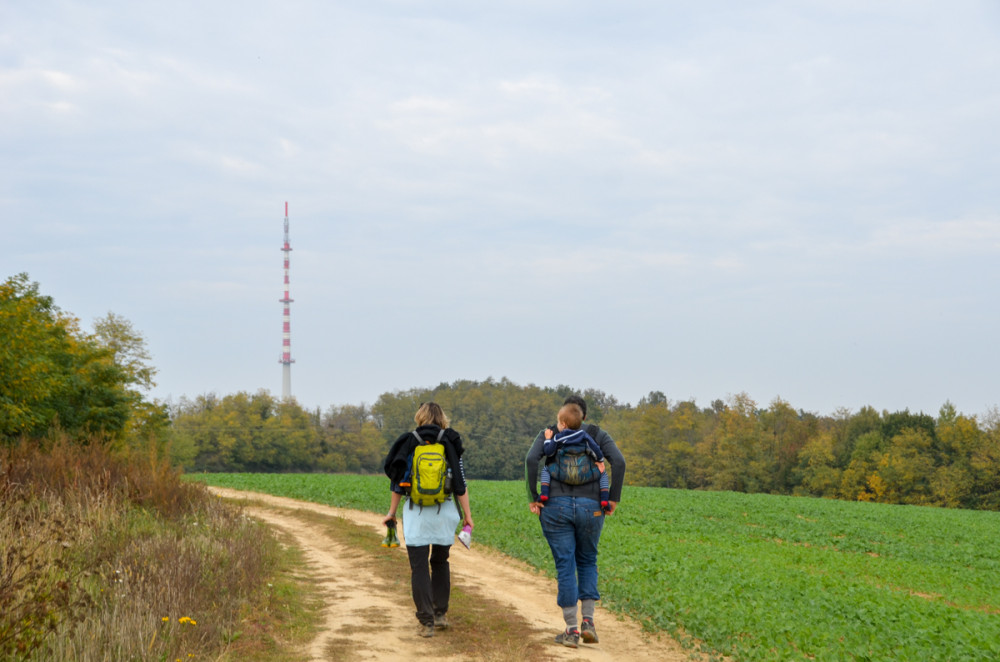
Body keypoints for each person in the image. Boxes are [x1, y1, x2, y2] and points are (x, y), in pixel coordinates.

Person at [525, 395, 626, 648]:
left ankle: (570, 630)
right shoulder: (596, 434)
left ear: (563, 415)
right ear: (583, 416)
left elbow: (530, 460)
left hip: (555, 507)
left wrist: (534, 496)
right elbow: (620, 462)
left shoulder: (550, 433)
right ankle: (588, 623)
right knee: (588, 560)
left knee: (565, 565)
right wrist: (613, 497)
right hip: (591, 508)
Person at [383, 402, 473, 638]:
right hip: (444, 512)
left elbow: (397, 483)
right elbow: (461, 485)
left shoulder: (409, 442)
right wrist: (468, 517)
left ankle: (426, 622)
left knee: (419, 566)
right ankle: (440, 613)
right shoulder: (450, 442)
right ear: (442, 418)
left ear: (420, 417)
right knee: (441, 562)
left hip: (417, 513)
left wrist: (391, 513)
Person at [539, 403, 610, 510]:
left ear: (563, 424)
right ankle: (604, 499)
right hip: (584, 474)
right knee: (603, 473)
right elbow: (596, 449)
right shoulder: (585, 436)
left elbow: (548, 452)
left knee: (546, 468)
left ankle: (544, 493)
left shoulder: (558, 437)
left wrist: (548, 439)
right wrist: (600, 461)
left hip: (562, 473)